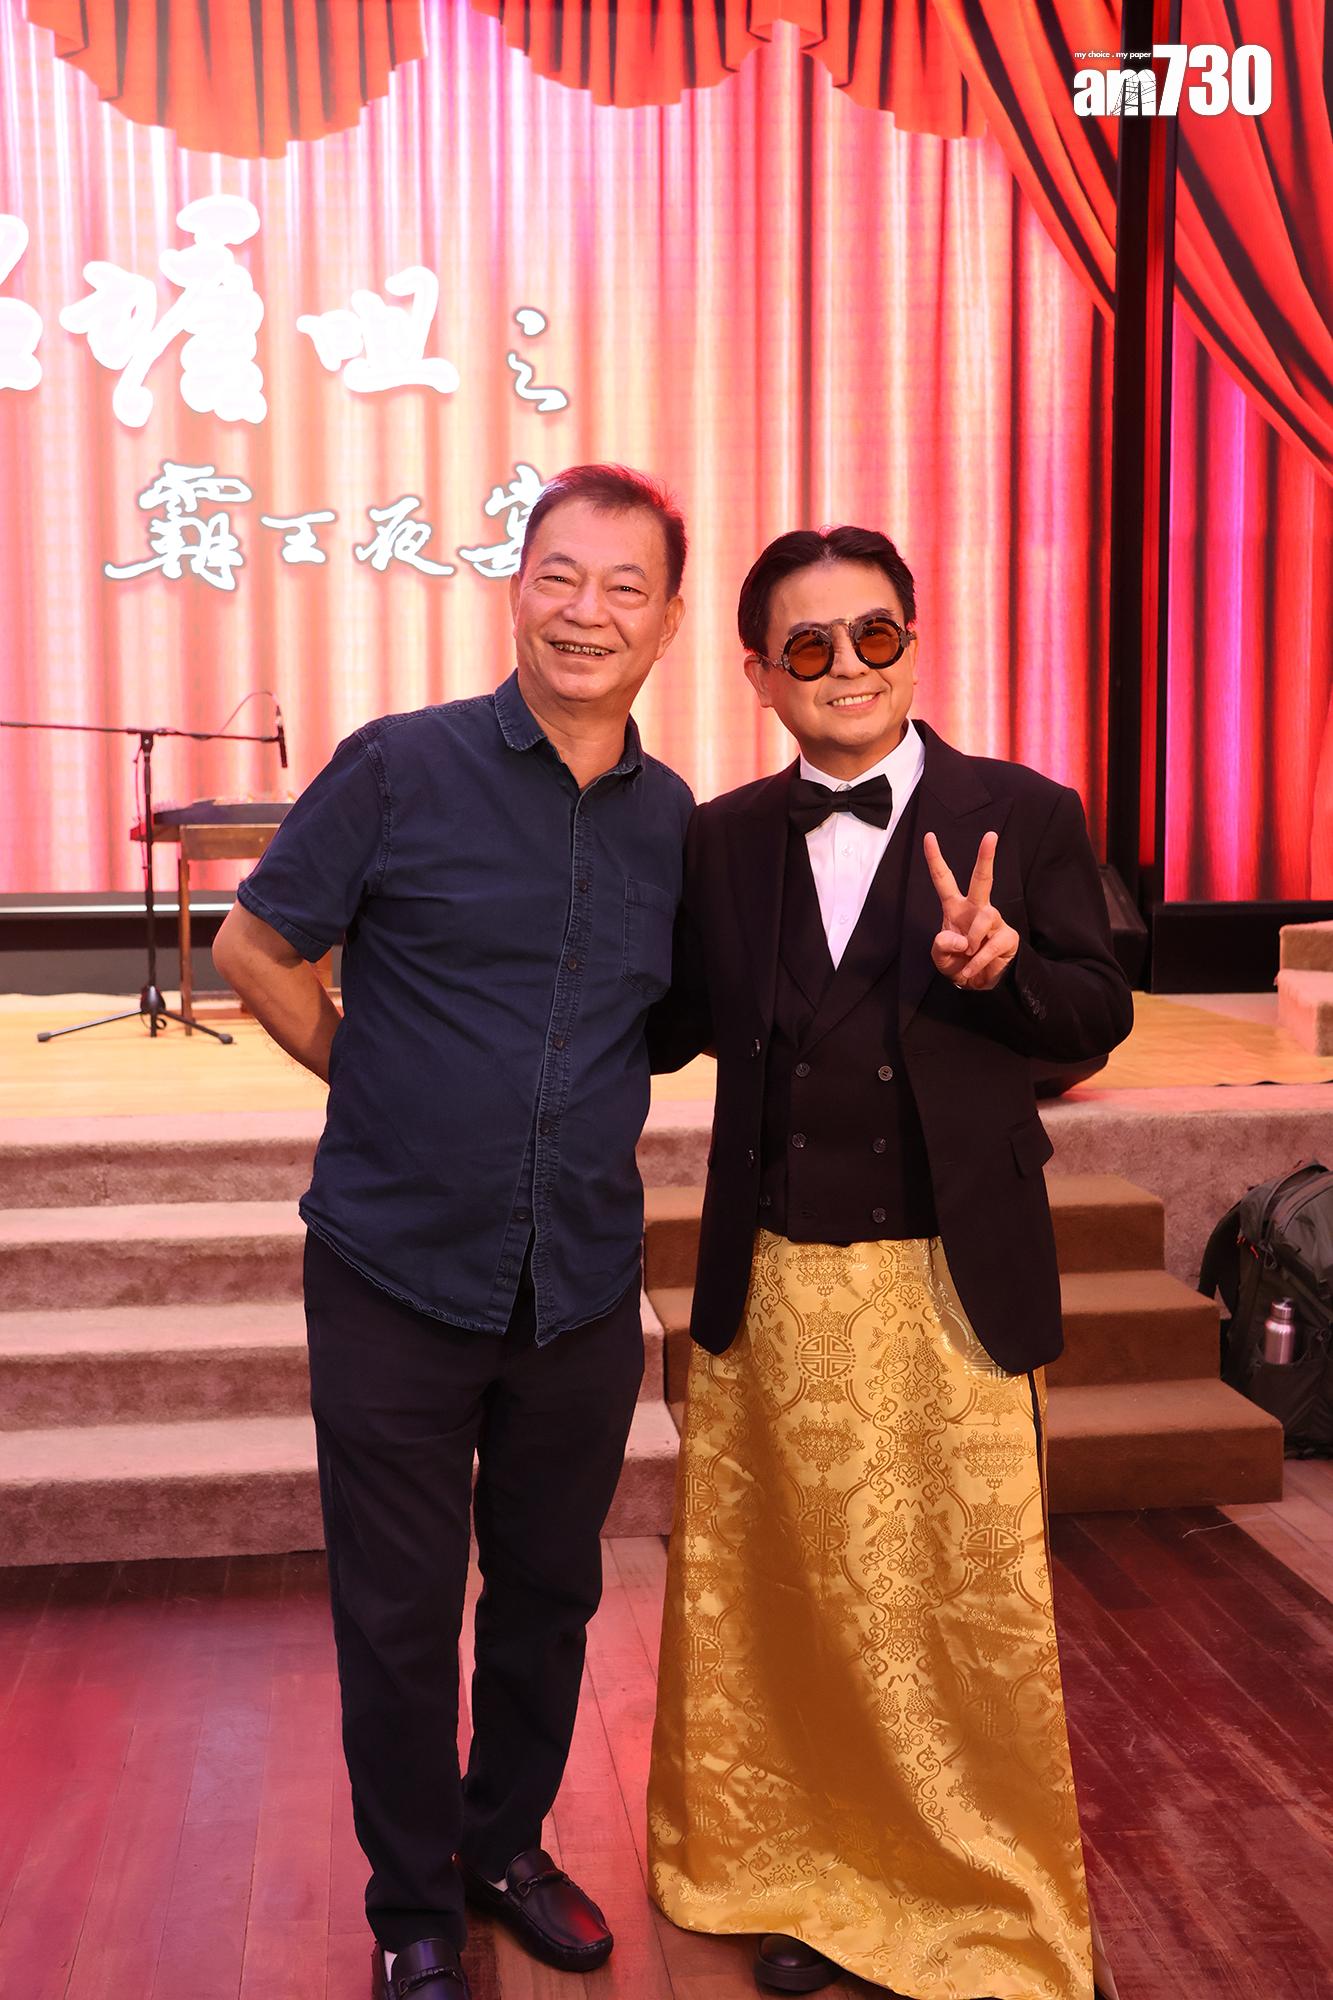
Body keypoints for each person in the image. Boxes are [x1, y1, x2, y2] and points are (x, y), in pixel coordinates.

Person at [212, 464, 690, 2000]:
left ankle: (504, 1846)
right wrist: (377, 1080)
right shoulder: (400, 767)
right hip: (393, 1269)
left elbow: (666, 1021)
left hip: (579, 1284)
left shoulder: (675, 823)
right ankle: (413, 1903)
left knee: (550, 1595)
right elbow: (253, 944)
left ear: (669, 622)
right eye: (561, 575)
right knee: (400, 1613)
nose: (587, 612)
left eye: (623, 586)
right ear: (515, 586)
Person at [645, 526, 1131, 2000]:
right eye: (808, 646)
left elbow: (1096, 1009)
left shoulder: (1023, 812)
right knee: (798, 1601)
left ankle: (968, 1877)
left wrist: (1009, 970)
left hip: (948, 1281)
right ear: (758, 675)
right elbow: (664, 1021)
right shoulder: (722, 839)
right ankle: (805, 1870)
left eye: (874, 635)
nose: (845, 667)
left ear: (912, 644)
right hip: (777, 1282)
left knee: (956, 1614)